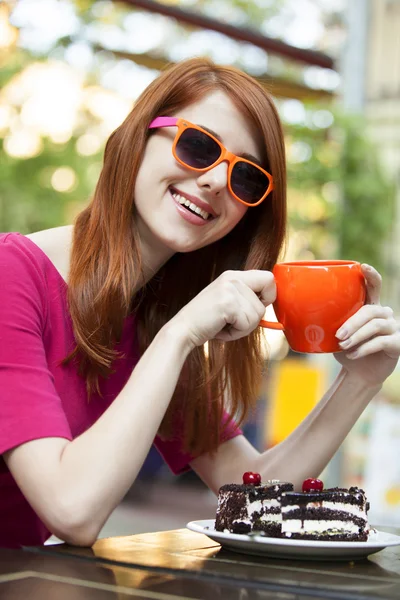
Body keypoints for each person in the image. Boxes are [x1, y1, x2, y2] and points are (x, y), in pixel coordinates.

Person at [0, 57, 399, 549]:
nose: (214, 181)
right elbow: (72, 510)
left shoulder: (158, 320)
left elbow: (253, 499)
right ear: (137, 137)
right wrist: (179, 336)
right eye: (198, 146)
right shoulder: (11, 275)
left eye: (246, 177)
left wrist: (359, 380)